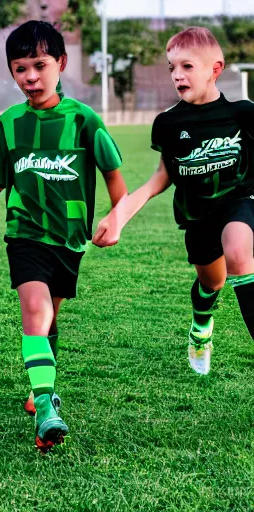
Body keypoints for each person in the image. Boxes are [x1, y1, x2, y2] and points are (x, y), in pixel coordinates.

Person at [0, 20, 127, 452]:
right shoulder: (9, 124)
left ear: (61, 63)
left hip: (70, 239)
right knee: (36, 309)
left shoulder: (83, 120)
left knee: (49, 317)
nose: (30, 77)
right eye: (20, 68)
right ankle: (46, 407)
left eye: (39, 65)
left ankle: (43, 382)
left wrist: (115, 219)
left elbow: (115, 178)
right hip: (24, 234)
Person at [93, 27, 254, 376]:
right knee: (212, 283)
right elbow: (157, 181)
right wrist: (118, 217)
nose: (177, 75)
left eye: (187, 66)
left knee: (240, 251)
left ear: (215, 67)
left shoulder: (243, 114)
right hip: (197, 218)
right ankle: (200, 327)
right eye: (171, 68)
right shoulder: (168, 123)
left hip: (239, 202)